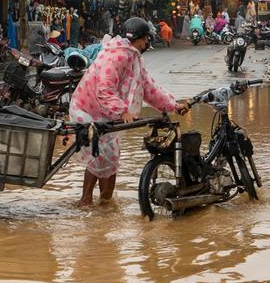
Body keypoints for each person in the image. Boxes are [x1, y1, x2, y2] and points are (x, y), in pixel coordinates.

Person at [69, 17, 189, 206]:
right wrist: (123, 111)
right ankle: (87, 201)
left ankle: (104, 203)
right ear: (139, 39)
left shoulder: (132, 57)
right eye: (146, 39)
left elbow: (148, 88)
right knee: (100, 155)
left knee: (108, 157)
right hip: (88, 110)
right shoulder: (116, 55)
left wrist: (172, 106)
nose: (147, 43)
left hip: (106, 113)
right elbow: (104, 89)